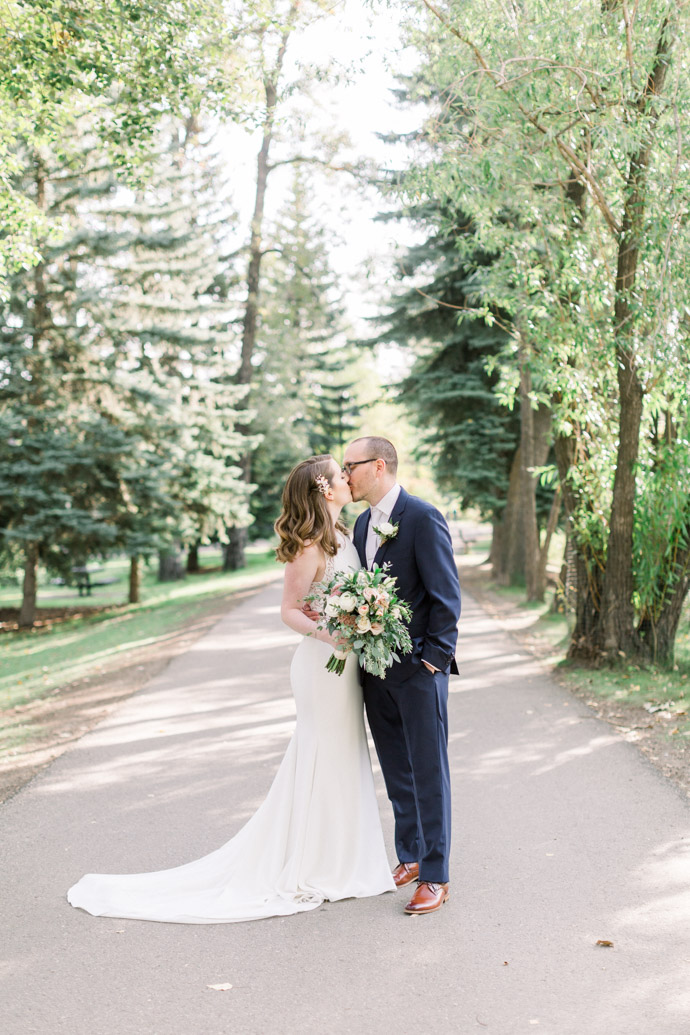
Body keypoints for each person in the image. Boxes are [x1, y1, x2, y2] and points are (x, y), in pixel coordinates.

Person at [67, 455, 394, 923]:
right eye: (339, 473)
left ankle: (343, 859)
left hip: (347, 667)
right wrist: (331, 633)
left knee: (344, 756)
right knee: (321, 756)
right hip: (322, 667)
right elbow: (290, 610)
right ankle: (312, 864)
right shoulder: (307, 546)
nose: (348, 477)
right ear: (325, 489)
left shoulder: (346, 534)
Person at [344, 436, 461, 915]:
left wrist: (432, 661)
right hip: (375, 675)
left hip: (418, 672)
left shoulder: (422, 516)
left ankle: (435, 875)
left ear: (377, 466)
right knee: (396, 771)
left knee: (429, 773)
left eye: (350, 466)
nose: (344, 474)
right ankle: (409, 855)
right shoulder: (360, 524)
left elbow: (446, 598)